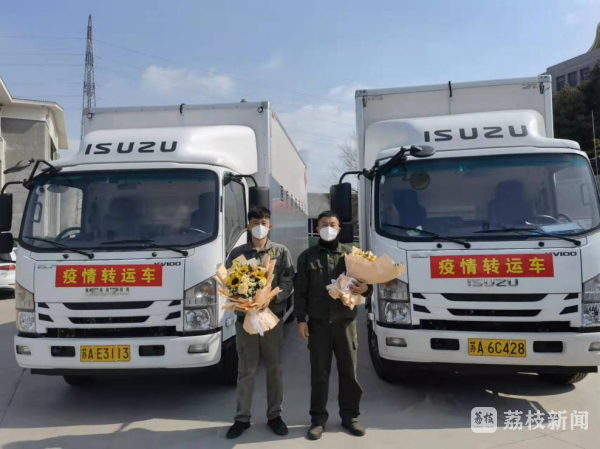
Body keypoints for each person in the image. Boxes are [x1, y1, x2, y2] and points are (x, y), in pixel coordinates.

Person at [294, 210, 371, 441]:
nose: (328, 227)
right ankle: (318, 420)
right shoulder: (307, 257)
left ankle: (350, 416)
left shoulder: (351, 255)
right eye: (324, 224)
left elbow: (367, 284)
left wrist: (366, 289)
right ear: (317, 229)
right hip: (318, 325)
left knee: (349, 372)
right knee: (320, 374)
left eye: (332, 224)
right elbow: (300, 291)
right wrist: (301, 319)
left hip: (345, 323)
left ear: (339, 229)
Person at [225, 206, 294, 439]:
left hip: (271, 319)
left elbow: (288, 281)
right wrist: (244, 301)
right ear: (248, 226)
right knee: (246, 369)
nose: (260, 227)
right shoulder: (237, 254)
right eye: (255, 223)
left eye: (263, 222)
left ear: (270, 225)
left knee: (274, 368)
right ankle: (242, 418)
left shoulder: (281, 251)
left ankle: (275, 415)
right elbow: (228, 283)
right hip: (245, 320)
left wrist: (271, 297)